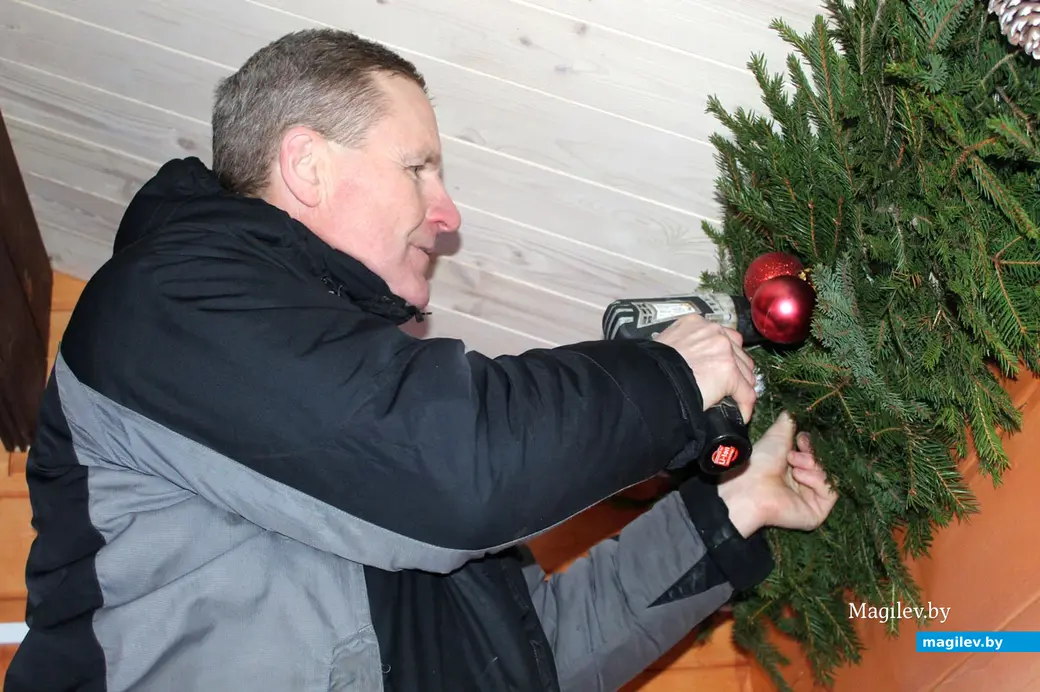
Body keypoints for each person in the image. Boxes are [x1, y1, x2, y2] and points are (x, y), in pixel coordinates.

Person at [5, 29, 837, 692]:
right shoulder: (167, 302)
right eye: (419, 169)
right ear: (306, 166)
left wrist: (731, 511)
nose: (447, 214)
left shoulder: (368, 445)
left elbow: (541, 657)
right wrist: (673, 378)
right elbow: (457, 467)